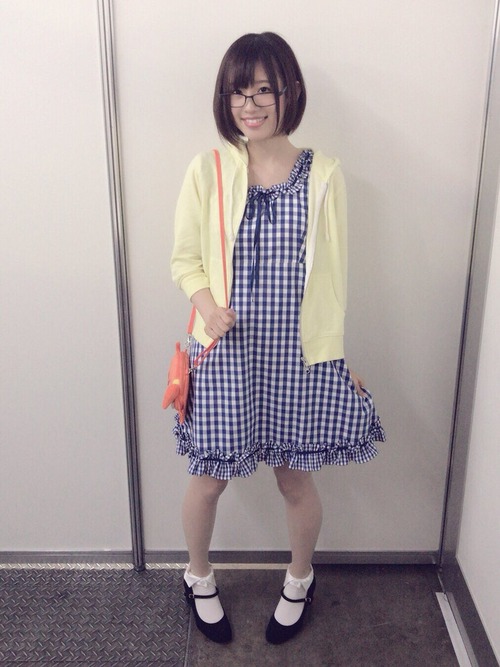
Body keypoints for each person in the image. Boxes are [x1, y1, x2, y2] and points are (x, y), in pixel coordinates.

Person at [170, 32, 386, 645]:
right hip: (224, 355)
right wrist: (207, 307)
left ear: (290, 92)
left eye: (264, 89)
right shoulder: (208, 169)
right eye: (238, 91)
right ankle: (198, 577)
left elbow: (333, 279)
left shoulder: (325, 175)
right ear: (225, 99)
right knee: (209, 478)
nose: (250, 104)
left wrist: (335, 357)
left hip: (297, 358)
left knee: (294, 479)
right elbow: (185, 259)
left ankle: (299, 581)